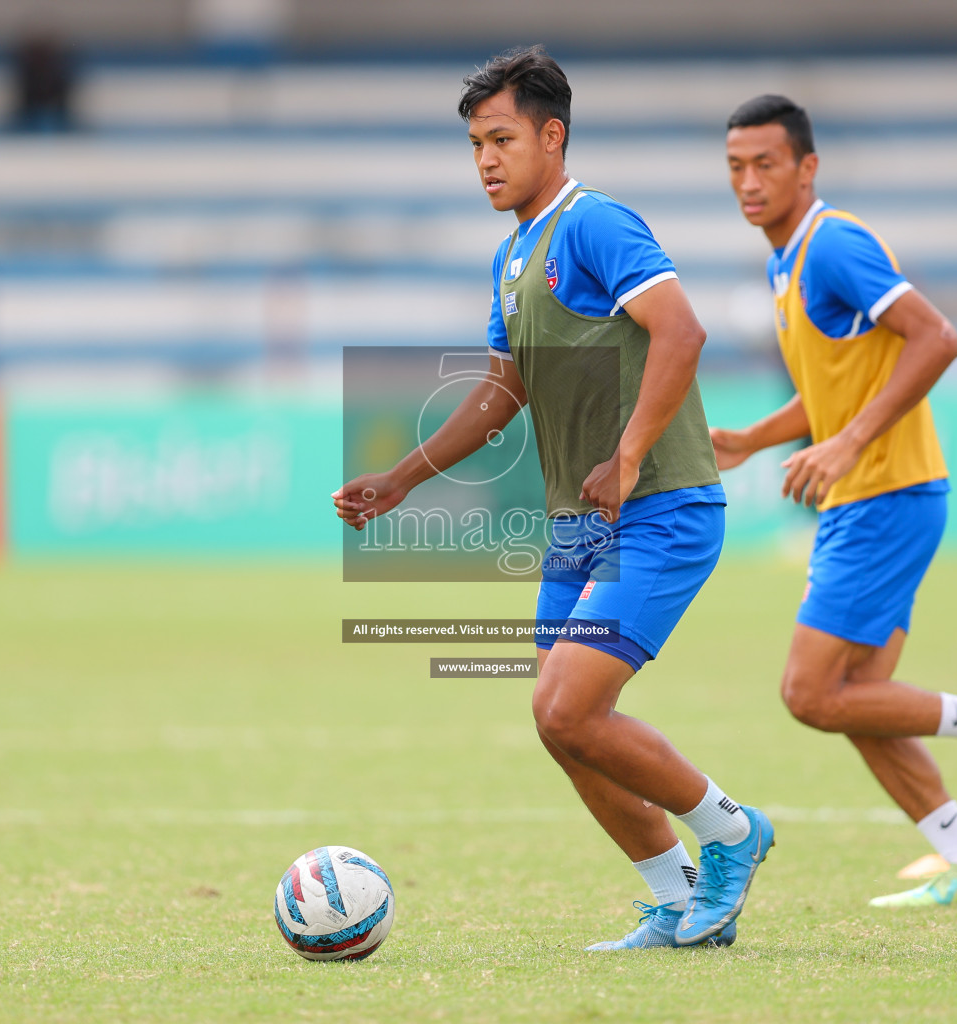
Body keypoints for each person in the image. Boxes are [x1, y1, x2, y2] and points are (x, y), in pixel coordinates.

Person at [333, 46, 774, 950]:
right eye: (474, 145)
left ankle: (734, 832)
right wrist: (401, 480)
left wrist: (628, 453)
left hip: (661, 506)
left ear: (552, 135)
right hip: (582, 526)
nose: (486, 159)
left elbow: (681, 333)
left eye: (501, 138)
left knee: (569, 707)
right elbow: (504, 392)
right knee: (562, 725)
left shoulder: (593, 224)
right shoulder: (512, 256)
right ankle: (675, 895)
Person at [710, 95, 957, 907]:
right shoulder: (785, 259)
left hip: (887, 494)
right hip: (869, 496)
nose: (749, 182)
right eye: (736, 167)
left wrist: (849, 443)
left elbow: (938, 336)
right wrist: (753, 440)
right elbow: (833, 391)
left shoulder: (834, 244)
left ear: (808, 167)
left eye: (766, 164)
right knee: (857, 703)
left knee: (810, 693)